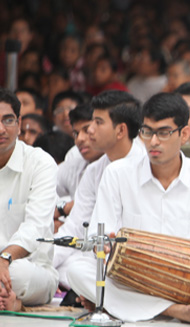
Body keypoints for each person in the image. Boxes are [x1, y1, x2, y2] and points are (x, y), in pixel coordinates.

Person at [67, 92, 190, 326]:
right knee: (77, 269)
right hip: (134, 279)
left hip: (187, 281)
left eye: (163, 132)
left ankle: (127, 304)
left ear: (184, 134)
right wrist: (107, 245)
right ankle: (176, 311)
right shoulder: (118, 174)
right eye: (147, 132)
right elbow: (100, 238)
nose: (154, 141)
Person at [53, 91, 145, 290]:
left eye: (97, 123)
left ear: (120, 131)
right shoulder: (94, 171)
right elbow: (75, 227)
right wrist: (42, 261)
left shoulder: (148, 165)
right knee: (72, 269)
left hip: (141, 261)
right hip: (100, 259)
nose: (90, 131)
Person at [0, 88, 58, 312]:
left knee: (17, 274)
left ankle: (16, 300)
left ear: (19, 122)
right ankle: (9, 301)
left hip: (30, 268)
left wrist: (5, 258)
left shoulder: (40, 163)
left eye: (8, 120)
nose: (2, 129)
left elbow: (35, 227)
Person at [54, 105, 104, 229]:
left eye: (87, 130)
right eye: (76, 133)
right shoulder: (75, 160)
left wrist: (64, 209)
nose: (79, 139)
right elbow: (43, 189)